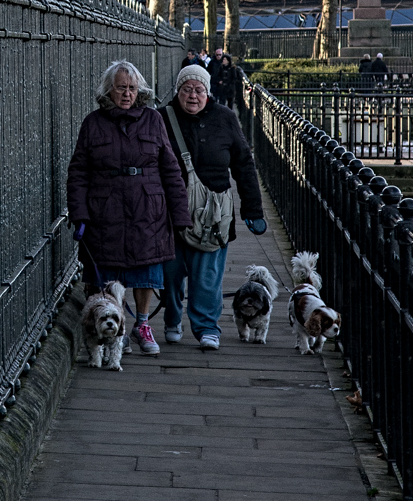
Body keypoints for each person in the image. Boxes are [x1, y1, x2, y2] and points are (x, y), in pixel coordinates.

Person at [67, 60, 190, 357]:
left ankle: (143, 323)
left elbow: (171, 169)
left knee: (146, 269)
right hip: (105, 208)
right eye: (121, 87)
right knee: (108, 272)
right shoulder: (93, 123)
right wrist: (79, 213)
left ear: (140, 90)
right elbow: (78, 171)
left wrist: (180, 214)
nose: (127, 94)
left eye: (132, 88)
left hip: (149, 207)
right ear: (109, 90)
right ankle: (117, 325)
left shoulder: (153, 119)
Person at [160, 65, 266, 350]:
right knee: (170, 274)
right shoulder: (161, 119)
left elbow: (244, 165)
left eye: (199, 90)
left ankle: (207, 327)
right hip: (170, 212)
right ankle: (172, 319)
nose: (193, 96)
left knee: (207, 276)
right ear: (177, 91)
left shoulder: (226, 118)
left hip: (214, 214)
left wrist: (253, 210)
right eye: (187, 89)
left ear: (208, 93)